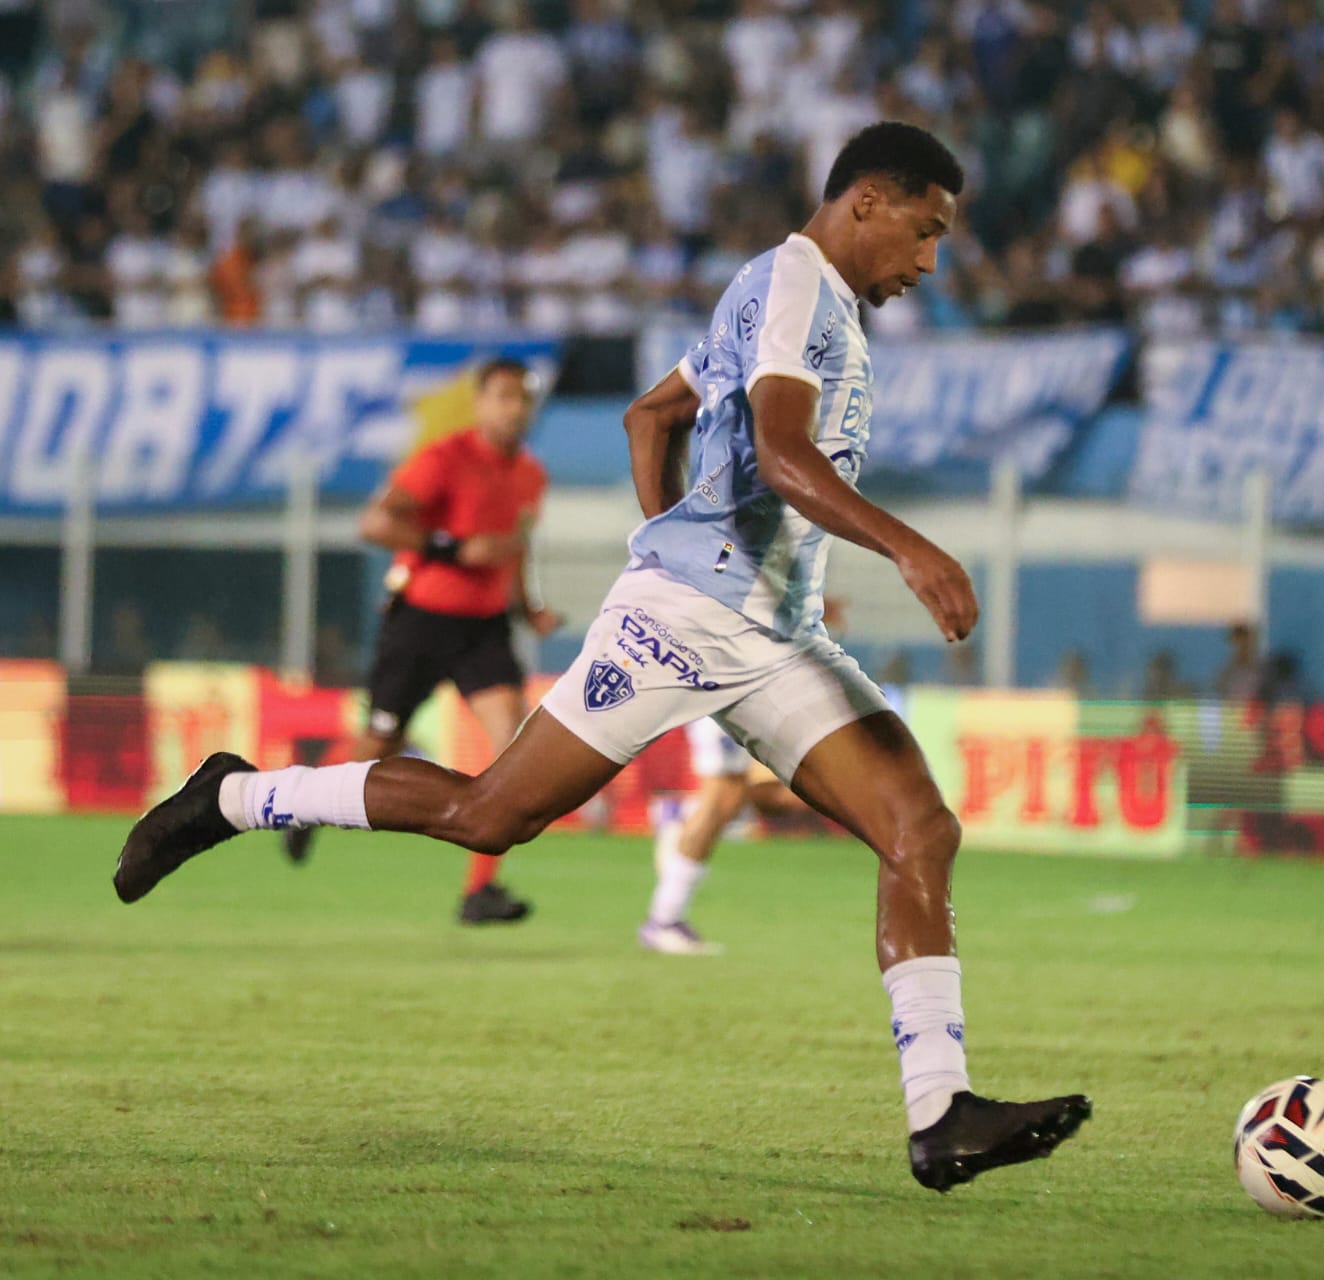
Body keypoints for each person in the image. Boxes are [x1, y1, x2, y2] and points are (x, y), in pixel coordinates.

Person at [113, 122, 1091, 1192]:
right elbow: (779, 450)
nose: (929, 262)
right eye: (924, 230)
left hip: (770, 631)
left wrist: (686, 530)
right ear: (866, 200)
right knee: (489, 814)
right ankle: (237, 797)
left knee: (919, 828)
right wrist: (898, 545)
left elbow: (652, 412)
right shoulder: (798, 285)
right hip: (683, 619)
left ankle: (941, 1112)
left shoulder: (800, 299)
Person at [280, 356, 562, 924]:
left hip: (483, 628)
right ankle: (301, 798)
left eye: (523, 398)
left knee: (514, 745)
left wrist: (527, 606)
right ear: (480, 403)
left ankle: (480, 890)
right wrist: (454, 549)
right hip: (422, 620)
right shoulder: (444, 458)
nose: (515, 408)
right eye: (504, 396)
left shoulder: (531, 474)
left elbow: (515, 545)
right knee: (380, 742)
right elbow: (375, 523)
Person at [639, 717, 812, 956]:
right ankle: (664, 920)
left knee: (754, 796)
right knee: (723, 796)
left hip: (743, 699)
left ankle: (684, 812)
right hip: (722, 698)